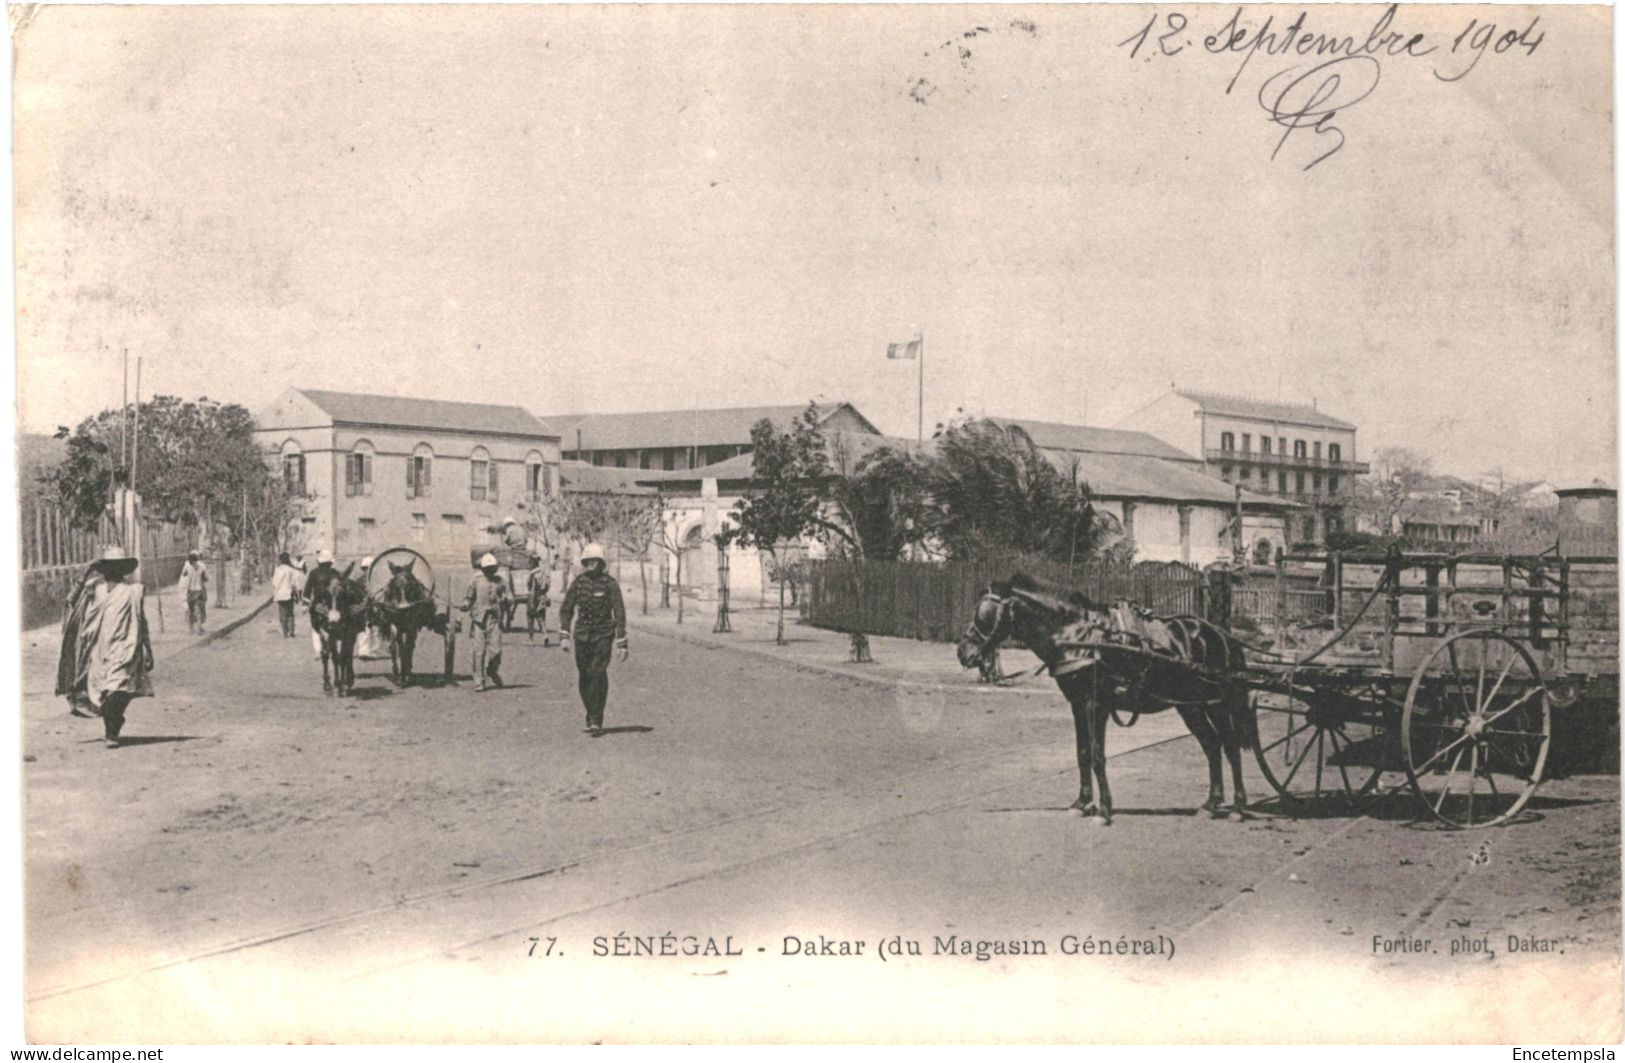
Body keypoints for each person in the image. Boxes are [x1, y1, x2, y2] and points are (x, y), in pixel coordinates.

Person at [75, 547, 155, 748]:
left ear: (123, 569)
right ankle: (115, 721)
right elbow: (71, 600)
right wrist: (86, 572)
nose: (113, 570)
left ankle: (112, 733)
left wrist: (148, 649)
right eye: (109, 566)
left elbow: (141, 621)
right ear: (103, 568)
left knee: (116, 690)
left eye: (117, 566)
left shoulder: (133, 591)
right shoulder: (95, 588)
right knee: (102, 694)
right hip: (99, 650)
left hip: (125, 649)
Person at [559, 543, 628, 736]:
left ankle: (597, 718)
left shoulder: (610, 583)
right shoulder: (578, 583)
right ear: (584, 562)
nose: (591, 564)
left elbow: (619, 612)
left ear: (601, 562)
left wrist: (622, 642)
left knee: (598, 672)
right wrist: (564, 634)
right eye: (588, 561)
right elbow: (566, 609)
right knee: (584, 674)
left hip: (603, 634)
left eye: (595, 561)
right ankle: (590, 712)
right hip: (582, 635)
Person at [460, 552, 511, 691]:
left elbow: (509, 598)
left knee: (496, 650)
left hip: (494, 620)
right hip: (479, 620)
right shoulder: (475, 580)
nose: (490, 571)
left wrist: (505, 600)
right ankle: (479, 680)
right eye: (487, 568)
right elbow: (468, 598)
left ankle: (492, 671)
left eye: (492, 568)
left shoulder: (500, 581)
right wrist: (465, 605)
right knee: (478, 652)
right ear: (482, 569)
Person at [304, 549, 338, 659]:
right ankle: (331, 648)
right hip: (333, 605)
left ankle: (318, 650)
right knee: (333, 627)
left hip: (318, 605)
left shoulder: (314, 573)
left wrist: (305, 604)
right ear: (330, 562)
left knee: (315, 628)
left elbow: (308, 589)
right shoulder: (334, 573)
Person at [271, 552, 301, 637]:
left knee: (282, 613)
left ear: (280, 560)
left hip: (280, 594)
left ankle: (285, 631)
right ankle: (291, 630)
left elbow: (275, 583)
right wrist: (296, 594)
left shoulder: (278, 569)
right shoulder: (291, 570)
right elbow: (295, 583)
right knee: (290, 613)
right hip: (290, 593)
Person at [180, 550, 209, 633]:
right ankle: (199, 628)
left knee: (191, 610)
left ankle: (191, 629)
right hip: (199, 591)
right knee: (199, 610)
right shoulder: (202, 567)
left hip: (191, 592)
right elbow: (205, 579)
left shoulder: (187, 567)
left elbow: (183, 576)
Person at [527, 559, 552, 644]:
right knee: (541, 618)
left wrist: (531, 602)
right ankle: (545, 635)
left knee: (530, 618)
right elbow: (548, 586)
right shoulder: (544, 573)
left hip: (534, 597)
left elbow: (532, 588)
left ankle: (531, 640)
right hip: (543, 596)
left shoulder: (532, 574)